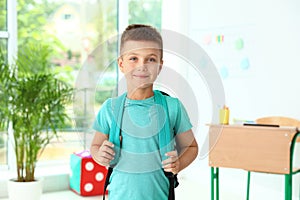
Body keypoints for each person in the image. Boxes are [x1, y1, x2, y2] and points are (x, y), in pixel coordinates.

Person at [90, 24, 198, 200]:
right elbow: (95, 146)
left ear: (160, 66)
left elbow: (191, 147)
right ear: (121, 64)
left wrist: (179, 163)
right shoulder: (110, 108)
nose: (142, 66)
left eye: (151, 59)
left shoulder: (173, 107)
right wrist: (99, 155)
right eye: (134, 58)